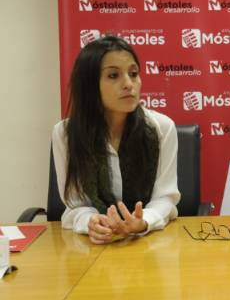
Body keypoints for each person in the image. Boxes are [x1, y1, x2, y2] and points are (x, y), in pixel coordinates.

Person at [52, 36, 180, 243]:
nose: (129, 84)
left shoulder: (162, 128)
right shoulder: (65, 134)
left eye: (133, 74)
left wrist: (143, 222)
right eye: (113, 75)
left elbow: (165, 198)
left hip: (149, 242)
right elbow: (76, 204)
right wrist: (91, 222)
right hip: (93, 244)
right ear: (89, 84)